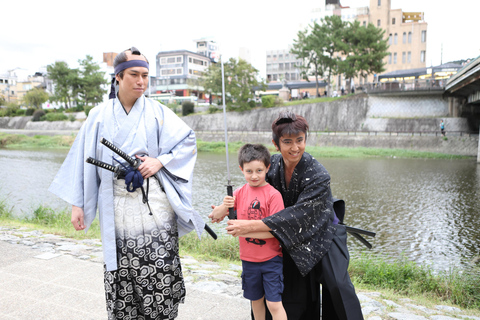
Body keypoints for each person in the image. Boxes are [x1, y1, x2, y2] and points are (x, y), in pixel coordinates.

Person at [49, 47, 205, 320]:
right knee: (122, 270)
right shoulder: (98, 115)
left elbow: (187, 141)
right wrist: (78, 204)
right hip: (117, 205)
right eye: (134, 74)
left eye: (145, 75)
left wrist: (159, 161)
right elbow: (81, 160)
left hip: (154, 205)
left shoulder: (158, 112)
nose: (141, 81)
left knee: (159, 266)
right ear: (118, 77)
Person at [224, 112, 364, 320]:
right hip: (285, 230)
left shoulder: (318, 174)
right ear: (276, 144)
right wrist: (226, 207)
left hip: (322, 231)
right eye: (287, 142)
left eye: (300, 140)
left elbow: (299, 215)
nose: (295, 147)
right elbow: (251, 192)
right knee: (287, 287)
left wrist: (248, 227)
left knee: (338, 284)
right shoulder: (270, 166)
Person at [209, 144, 287, 320]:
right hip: (248, 260)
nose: (254, 176)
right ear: (241, 169)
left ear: (268, 168)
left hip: (271, 260)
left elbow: (277, 231)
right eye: (249, 171)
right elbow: (214, 215)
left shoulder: (274, 195)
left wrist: (243, 231)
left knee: (274, 303)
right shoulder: (239, 192)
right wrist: (224, 204)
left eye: (259, 170)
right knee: (256, 301)